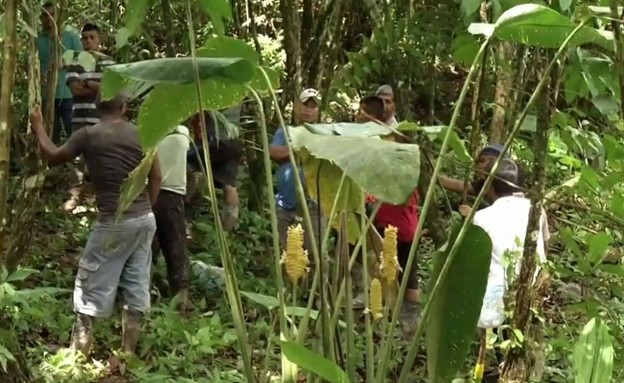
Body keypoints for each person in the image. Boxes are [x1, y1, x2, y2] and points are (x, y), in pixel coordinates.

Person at [29, 92, 161, 356]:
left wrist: (38, 126)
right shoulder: (144, 134)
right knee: (136, 283)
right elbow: (157, 176)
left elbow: (54, 157)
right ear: (124, 108)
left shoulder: (88, 135)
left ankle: (79, 351)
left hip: (114, 220)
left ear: (97, 107)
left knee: (90, 283)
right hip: (145, 219)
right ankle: (127, 351)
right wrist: (147, 208)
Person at [356, 96, 422, 332]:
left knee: (401, 274)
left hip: (398, 229)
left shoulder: (403, 172)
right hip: (393, 226)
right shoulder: (397, 167)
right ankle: (394, 322)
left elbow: (400, 196)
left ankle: (408, 323)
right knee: (389, 273)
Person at [473, 158, 548, 330]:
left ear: (490, 187)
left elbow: (476, 265)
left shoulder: (481, 217)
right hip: (533, 295)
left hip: (496, 302)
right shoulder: (536, 209)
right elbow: (545, 248)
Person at [64, 22, 116, 212]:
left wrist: (86, 81)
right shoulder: (75, 62)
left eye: (92, 37)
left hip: (102, 119)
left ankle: (99, 197)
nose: (88, 41)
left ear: (99, 39)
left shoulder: (109, 63)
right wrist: (96, 85)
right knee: (77, 157)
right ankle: (75, 195)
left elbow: (110, 90)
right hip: (80, 118)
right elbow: (75, 90)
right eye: (85, 38)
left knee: (102, 156)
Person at [270, 88, 325, 254]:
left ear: (317, 110)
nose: (309, 110)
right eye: (305, 105)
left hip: (313, 207)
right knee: (288, 257)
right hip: (285, 205)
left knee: (314, 256)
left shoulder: (323, 134)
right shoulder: (285, 131)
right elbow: (273, 152)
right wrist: (298, 148)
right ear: (297, 107)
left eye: (313, 106)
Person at [152, 125, 191, 306]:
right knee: (176, 245)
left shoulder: (149, 133)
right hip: (172, 195)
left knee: (149, 245)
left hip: (150, 192)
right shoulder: (182, 132)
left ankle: (147, 288)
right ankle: (181, 295)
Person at [186, 111, 243, 231]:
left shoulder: (207, 104)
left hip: (217, 143)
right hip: (233, 142)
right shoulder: (231, 101)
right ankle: (227, 229)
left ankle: (186, 217)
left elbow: (202, 129)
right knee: (229, 184)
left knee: (186, 159)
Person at [36, 2, 83, 145]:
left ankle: (80, 161)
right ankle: (54, 163)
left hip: (68, 93)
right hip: (47, 94)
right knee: (51, 131)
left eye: (52, 14)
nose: (49, 18)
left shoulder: (70, 37)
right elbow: (34, 64)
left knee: (73, 129)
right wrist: (39, 76)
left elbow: (83, 59)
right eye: (45, 15)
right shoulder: (38, 40)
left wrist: (65, 62)